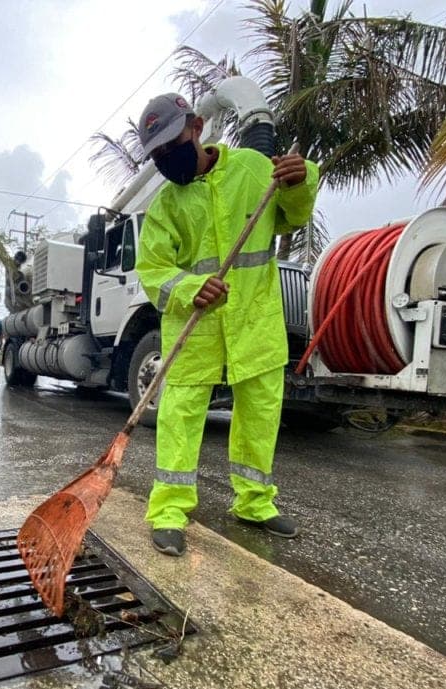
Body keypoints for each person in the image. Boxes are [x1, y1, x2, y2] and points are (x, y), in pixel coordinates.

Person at [134, 92, 318, 557]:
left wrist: (300, 182)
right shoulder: (165, 205)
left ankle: (255, 503)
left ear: (196, 127)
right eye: (155, 154)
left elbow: (291, 216)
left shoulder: (254, 170)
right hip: (195, 328)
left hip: (254, 322)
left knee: (259, 415)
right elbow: (152, 269)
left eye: (170, 144)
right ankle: (169, 511)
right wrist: (187, 288)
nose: (164, 159)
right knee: (179, 418)